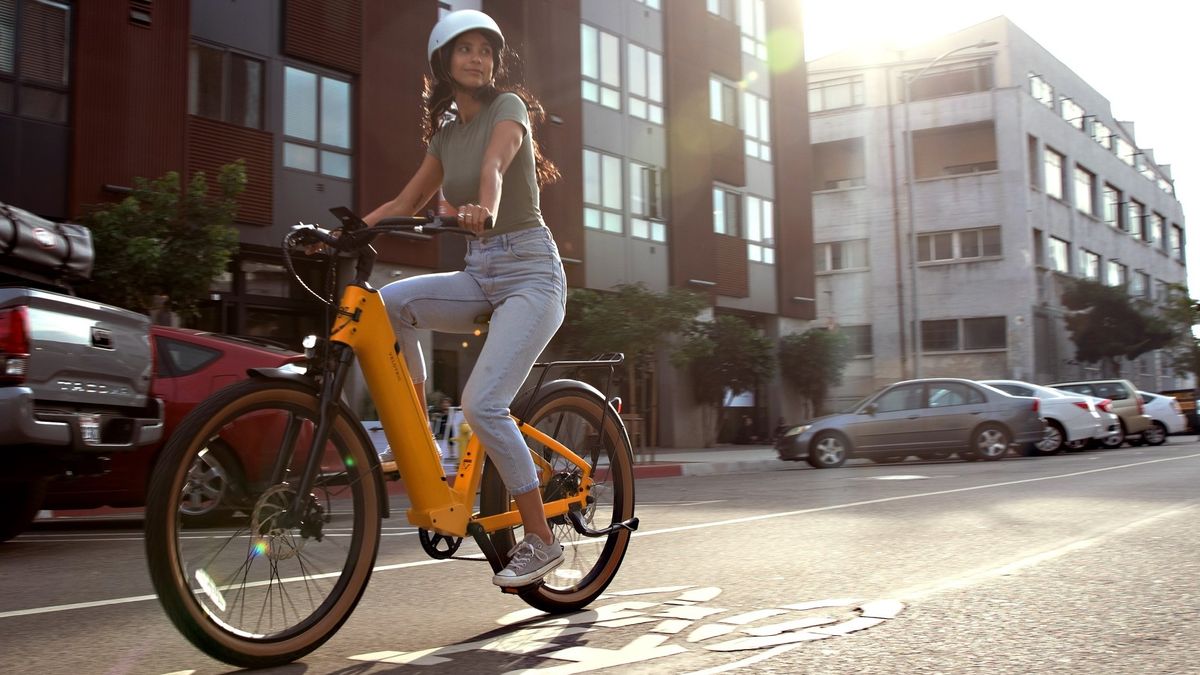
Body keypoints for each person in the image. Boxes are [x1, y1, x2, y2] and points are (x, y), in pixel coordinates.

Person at [354, 10, 567, 588]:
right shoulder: (445, 138)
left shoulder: (509, 109)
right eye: (464, 50)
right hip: (480, 271)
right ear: (443, 65)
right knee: (385, 306)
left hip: (531, 273)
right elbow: (405, 201)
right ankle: (417, 435)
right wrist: (345, 233)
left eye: (484, 50)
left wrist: (485, 207)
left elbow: (496, 164)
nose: (477, 58)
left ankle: (542, 543)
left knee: (482, 404)